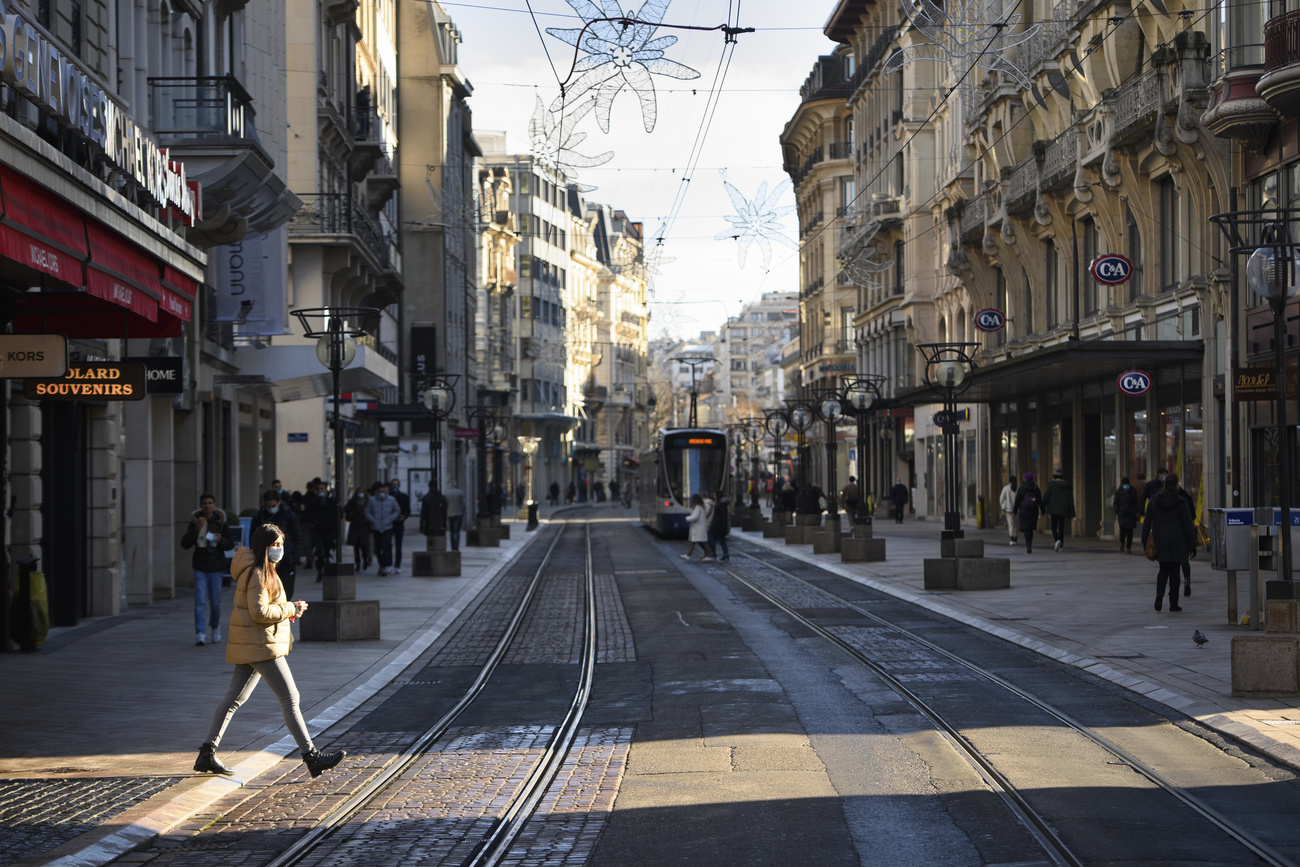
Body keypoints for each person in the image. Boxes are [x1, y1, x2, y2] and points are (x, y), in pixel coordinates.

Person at [193, 524, 347, 779]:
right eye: (274, 545)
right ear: (263, 546)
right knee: (290, 698)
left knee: (233, 699)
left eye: (281, 544)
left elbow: (261, 610)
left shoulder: (260, 570)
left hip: (253, 642)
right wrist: (290, 608)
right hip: (261, 645)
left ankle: (207, 752)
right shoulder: (258, 574)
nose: (279, 549)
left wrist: (288, 611)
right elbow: (259, 612)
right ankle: (311, 757)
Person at [180, 493, 236, 646]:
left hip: (216, 566)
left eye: (210, 503)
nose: (207, 506)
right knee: (199, 601)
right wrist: (195, 530)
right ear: (200, 505)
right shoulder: (196, 522)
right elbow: (184, 544)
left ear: (214, 504)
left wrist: (220, 540)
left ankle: (215, 628)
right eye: (204, 503)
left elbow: (230, 544)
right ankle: (200, 632)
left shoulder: (221, 521)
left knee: (215, 602)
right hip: (200, 566)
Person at [1141, 472, 1197, 612]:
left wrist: (1144, 541)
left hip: (1161, 541)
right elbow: (1188, 526)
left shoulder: (1154, 500)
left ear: (1164, 484)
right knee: (1175, 573)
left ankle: (1159, 596)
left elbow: (1147, 522)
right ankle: (1173, 604)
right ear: (1177, 485)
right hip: (1178, 542)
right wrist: (1192, 545)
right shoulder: (1181, 502)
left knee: (1163, 570)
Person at [253, 490, 301, 600]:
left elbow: (296, 536)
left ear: (279, 502)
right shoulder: (259, 516)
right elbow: (253, 538)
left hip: (286, 560)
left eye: (273, 505)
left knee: (286, 592)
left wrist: (294, 558)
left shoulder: (289, 515)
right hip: (265, 560)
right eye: (268, 506)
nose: (271, 508)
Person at [364, 483, 401, 575]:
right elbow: (367, 511)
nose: (382, 493)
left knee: (385, 547)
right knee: (377, 549)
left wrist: (391, 518)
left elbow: (397, 510)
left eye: (383, 491)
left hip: (387, 527)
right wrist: (372, 520)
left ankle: (384, 565)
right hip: (375, 527)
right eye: (380, 491)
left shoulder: (391, 500)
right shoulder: (372, 500)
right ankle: (381, 564)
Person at [306, 484, 338, 574]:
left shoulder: (332, 502)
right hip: (319, 530)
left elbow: (338, 515)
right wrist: (316, 521)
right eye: (319, 489)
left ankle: (327, 567)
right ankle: (320, 569)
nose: (321, 491)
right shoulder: (315, 502)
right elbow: (310, 514)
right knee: (319, 551)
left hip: (329, 531)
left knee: (328, 551)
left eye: (322, 489)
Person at [1042, 470, 1076, 553]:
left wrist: (1042, 508)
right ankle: (1061, 546)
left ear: (1054, 477)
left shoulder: (1051, 485)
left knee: (1054, 527)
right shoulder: (1067, 487)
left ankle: (1057, 540)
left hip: (1054, 510)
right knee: (1061, 527)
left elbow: (1046, 497)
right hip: (1063, 510)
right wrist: (1072, 512)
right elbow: (1071, 500)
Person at [1012, 472, 1043, 554]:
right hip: (1033, 511)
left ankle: (1028, 544)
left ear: (1024, 479)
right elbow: (1040, 500)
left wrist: (1014, 512)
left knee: (1026, 529)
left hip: (1024, 511)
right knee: (1031, 529)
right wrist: (1043, 510)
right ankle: (1030, 543)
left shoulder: (1021, 488)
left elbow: (1017, 501)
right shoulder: (1036, 488)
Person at [344, 490, 372, 570]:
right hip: (355, 526)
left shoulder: (368, 502)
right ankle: (358, 563)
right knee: (356, 547)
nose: (360, 494)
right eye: (359, 492)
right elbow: (346, 509)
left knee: (364, 546)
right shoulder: (353, 502)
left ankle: (365, 560)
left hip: (364, 526)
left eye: (362, 492)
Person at [388, 477, 411, 574]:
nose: (394, 486)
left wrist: (404, 516)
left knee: (398, 545)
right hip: (389, 524)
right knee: (387, 545)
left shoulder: (403, 497)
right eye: (393, 484)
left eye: (396, 484)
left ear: (399, 486)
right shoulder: (387, 497)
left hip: (399, 524)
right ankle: (388, 564)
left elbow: (408, 510)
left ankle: (397, 565)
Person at [681, 494, 713, 561]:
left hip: (698, 528)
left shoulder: (697, 507)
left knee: (702, 543)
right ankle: (688, 554)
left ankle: (709, 555)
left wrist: (687, 518)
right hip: (698, 528)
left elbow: (695, 517)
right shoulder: (701, 506)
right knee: (694, 542)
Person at [1113, 477, 1140, 553]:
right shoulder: (1118, 493)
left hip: (1131, 515)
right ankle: (1122, 543)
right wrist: (1117, 510)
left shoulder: (1133, 491)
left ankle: (1128, 547)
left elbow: (1135, 503)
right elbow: (1116, 503)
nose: (1126, 486)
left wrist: (1136, 511)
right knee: (1123, 531)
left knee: (1130, 532)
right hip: (1122, 515)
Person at [708, 488, 732, 561]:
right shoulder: (719, 503)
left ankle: (714, 553)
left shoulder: (721, 504)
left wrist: (722, 526)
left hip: (718, 526)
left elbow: (722, 516)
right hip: (718, 525)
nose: (714, 496)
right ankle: (725, 553)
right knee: (721, 540)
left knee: (712, 538)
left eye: (714, 495)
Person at [445, 480, 467, 552]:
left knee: (451, 532)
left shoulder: (446, 494)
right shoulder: (460, 493)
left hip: (449, 514)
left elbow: (445, 505)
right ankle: (456, 546)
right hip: (458, 514)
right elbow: (463, 505)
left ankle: (452, 547)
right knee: (457, 531)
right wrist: (463, 512)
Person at [998, 475, 1019, 546]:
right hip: (1017, 509)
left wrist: (1003, 505)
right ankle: (1016, 538)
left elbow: (1001, 499)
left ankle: (1012, 539)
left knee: (1010, 524)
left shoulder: (1006, 488)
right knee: (1016, 524)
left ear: (1009, 481)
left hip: (1008, 509)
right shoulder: (1018, 488)